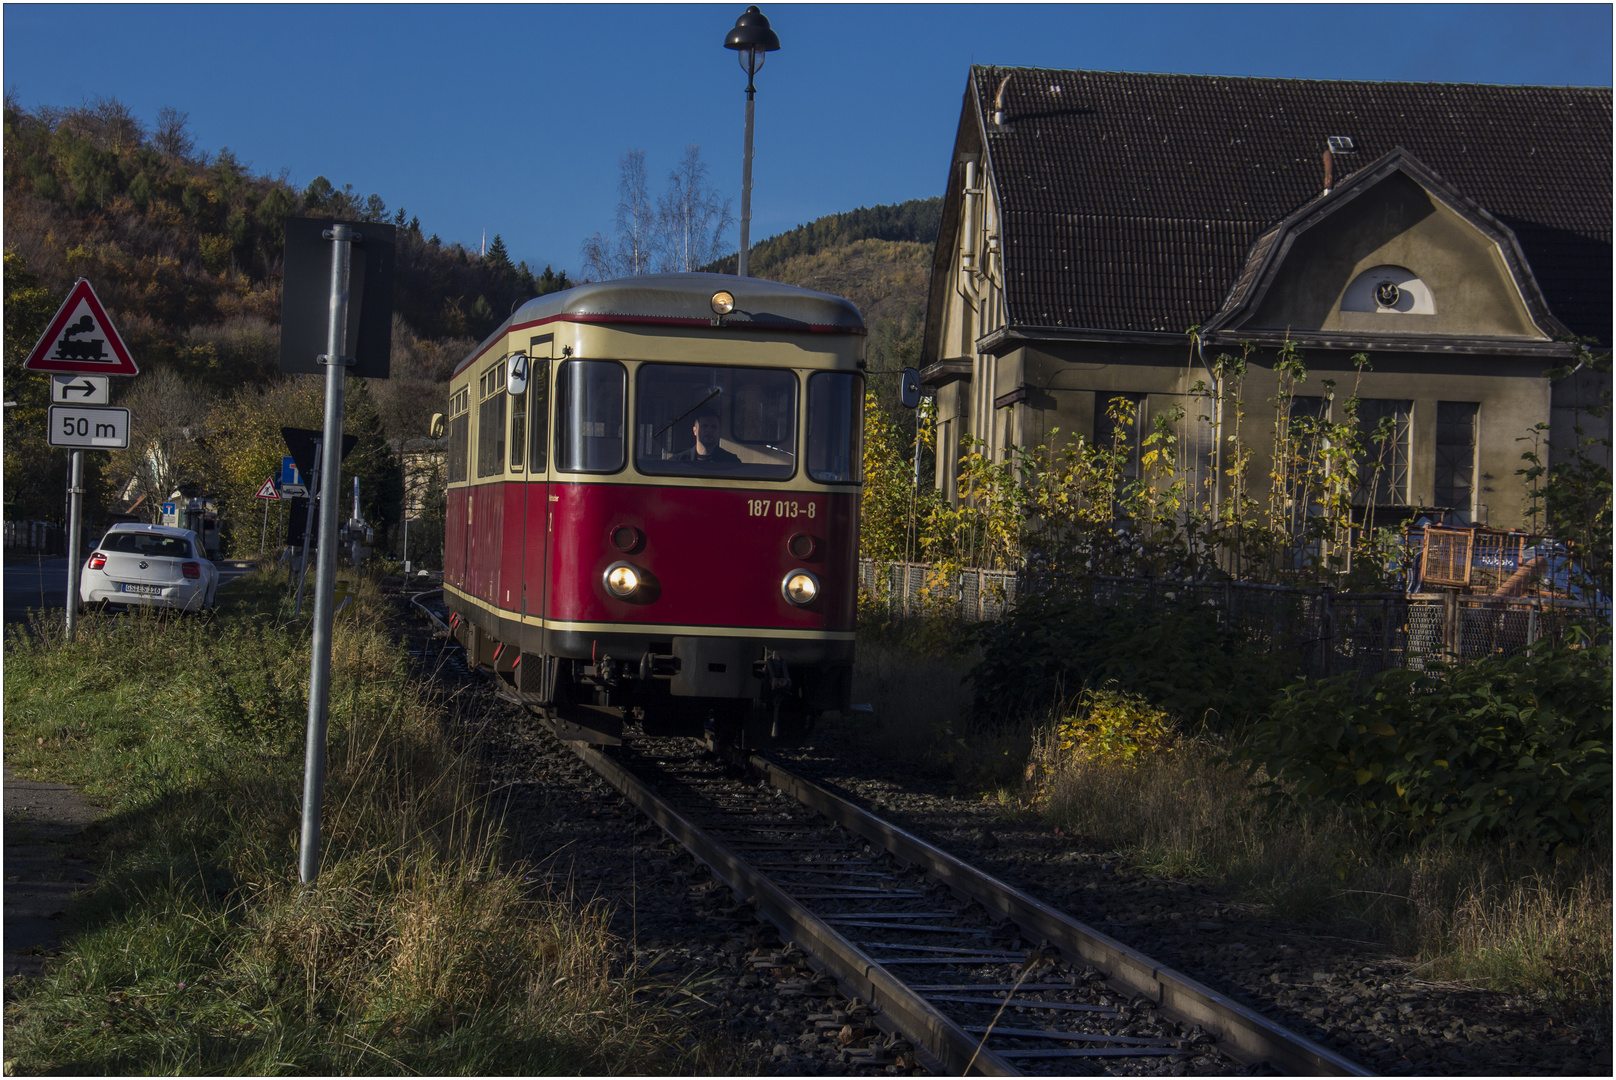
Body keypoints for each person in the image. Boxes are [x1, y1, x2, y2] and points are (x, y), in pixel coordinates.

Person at [670, 410, 740, 465]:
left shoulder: (731, 462)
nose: (709, 430)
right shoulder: (678, 462)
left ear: (719, 431)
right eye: (704, 426)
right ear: (694, 430)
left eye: (713, 427)